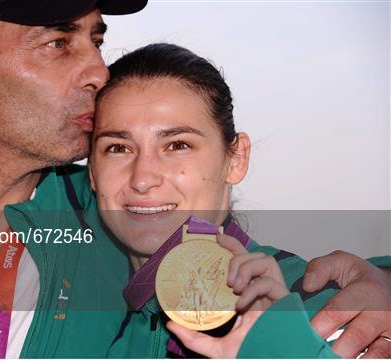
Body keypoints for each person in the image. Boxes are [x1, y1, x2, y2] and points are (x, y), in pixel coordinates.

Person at [0, 1, 390, 358]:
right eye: (58, 43)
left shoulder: (125, 226)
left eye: (96, 39)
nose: (99, 71)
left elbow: (265, 279)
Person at [88, 43, 391, 358]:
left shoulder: (320, 309)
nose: (142, 178)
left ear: (236, 159)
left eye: (177, 145)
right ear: (93, 173)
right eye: (117, 148)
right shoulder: (77, 311)